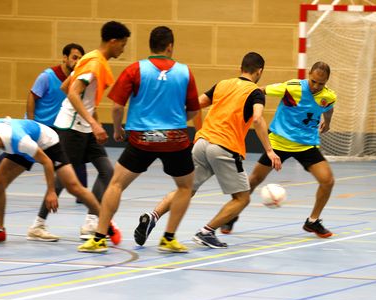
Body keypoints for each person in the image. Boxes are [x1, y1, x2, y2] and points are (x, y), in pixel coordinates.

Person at [131, 52, 282, 250]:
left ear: (241, 68)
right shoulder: (255, 92)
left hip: (201, 143)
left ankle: (152, 216)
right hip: (225, 147)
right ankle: (207, 232)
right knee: (242, 198)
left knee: (186, 190)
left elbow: (195, 104)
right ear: (260, 71)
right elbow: (257, 119)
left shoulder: (222, 84)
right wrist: (269, 150)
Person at [77, 26, 200, 253]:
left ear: (150, 46)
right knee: (185, 187)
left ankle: (98, 239)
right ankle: (168, 238)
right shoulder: (185, 72)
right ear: (170, 46)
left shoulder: (135, 69)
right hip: (175, 139)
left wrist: (117, 129)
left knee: (115, 184)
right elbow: (193, 111)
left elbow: (116, 107)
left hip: (141, 138)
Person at [220, 62, 336, 237]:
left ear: (326, 81)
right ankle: (231, 215)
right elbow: (260, 90)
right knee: (254, 180)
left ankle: (312, 221)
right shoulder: (292, 87)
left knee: (327, 181)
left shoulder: (328, 96)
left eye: (321, 83)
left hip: (306, 144)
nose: (316, 86)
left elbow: (328, 108)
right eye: (313, 81)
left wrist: (328, 121)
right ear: (308, 75)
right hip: (279, 142)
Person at [0, 118, 117, 245]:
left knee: (74, 187)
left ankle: (106, 223)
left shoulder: (19, 140)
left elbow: (46, 162)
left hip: (48, 144)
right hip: (22, 149)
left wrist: (51, 191)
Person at [0, 44, 88, 205]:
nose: (78, 60)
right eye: (75, 57)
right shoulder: (47, 76)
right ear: (64, 58)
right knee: (8, 156)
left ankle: (82, 193)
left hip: (56, 129)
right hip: (35, 126)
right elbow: (32, 97)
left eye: (81, 58)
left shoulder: (77, 80)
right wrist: (31, 121)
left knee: (75, 153)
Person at [54, 21, 130, 241]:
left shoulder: (91, 59)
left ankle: (90, 222)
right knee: (65, 180)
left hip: (84, 126)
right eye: (122, 44)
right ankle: (38, 224)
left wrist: (93, 121)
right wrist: (94, 123)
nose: (123, 50)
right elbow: (72, 93)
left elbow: (65, 86)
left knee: (108, 172)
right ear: (113, 41)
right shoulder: (94, 63)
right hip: (72, 127)